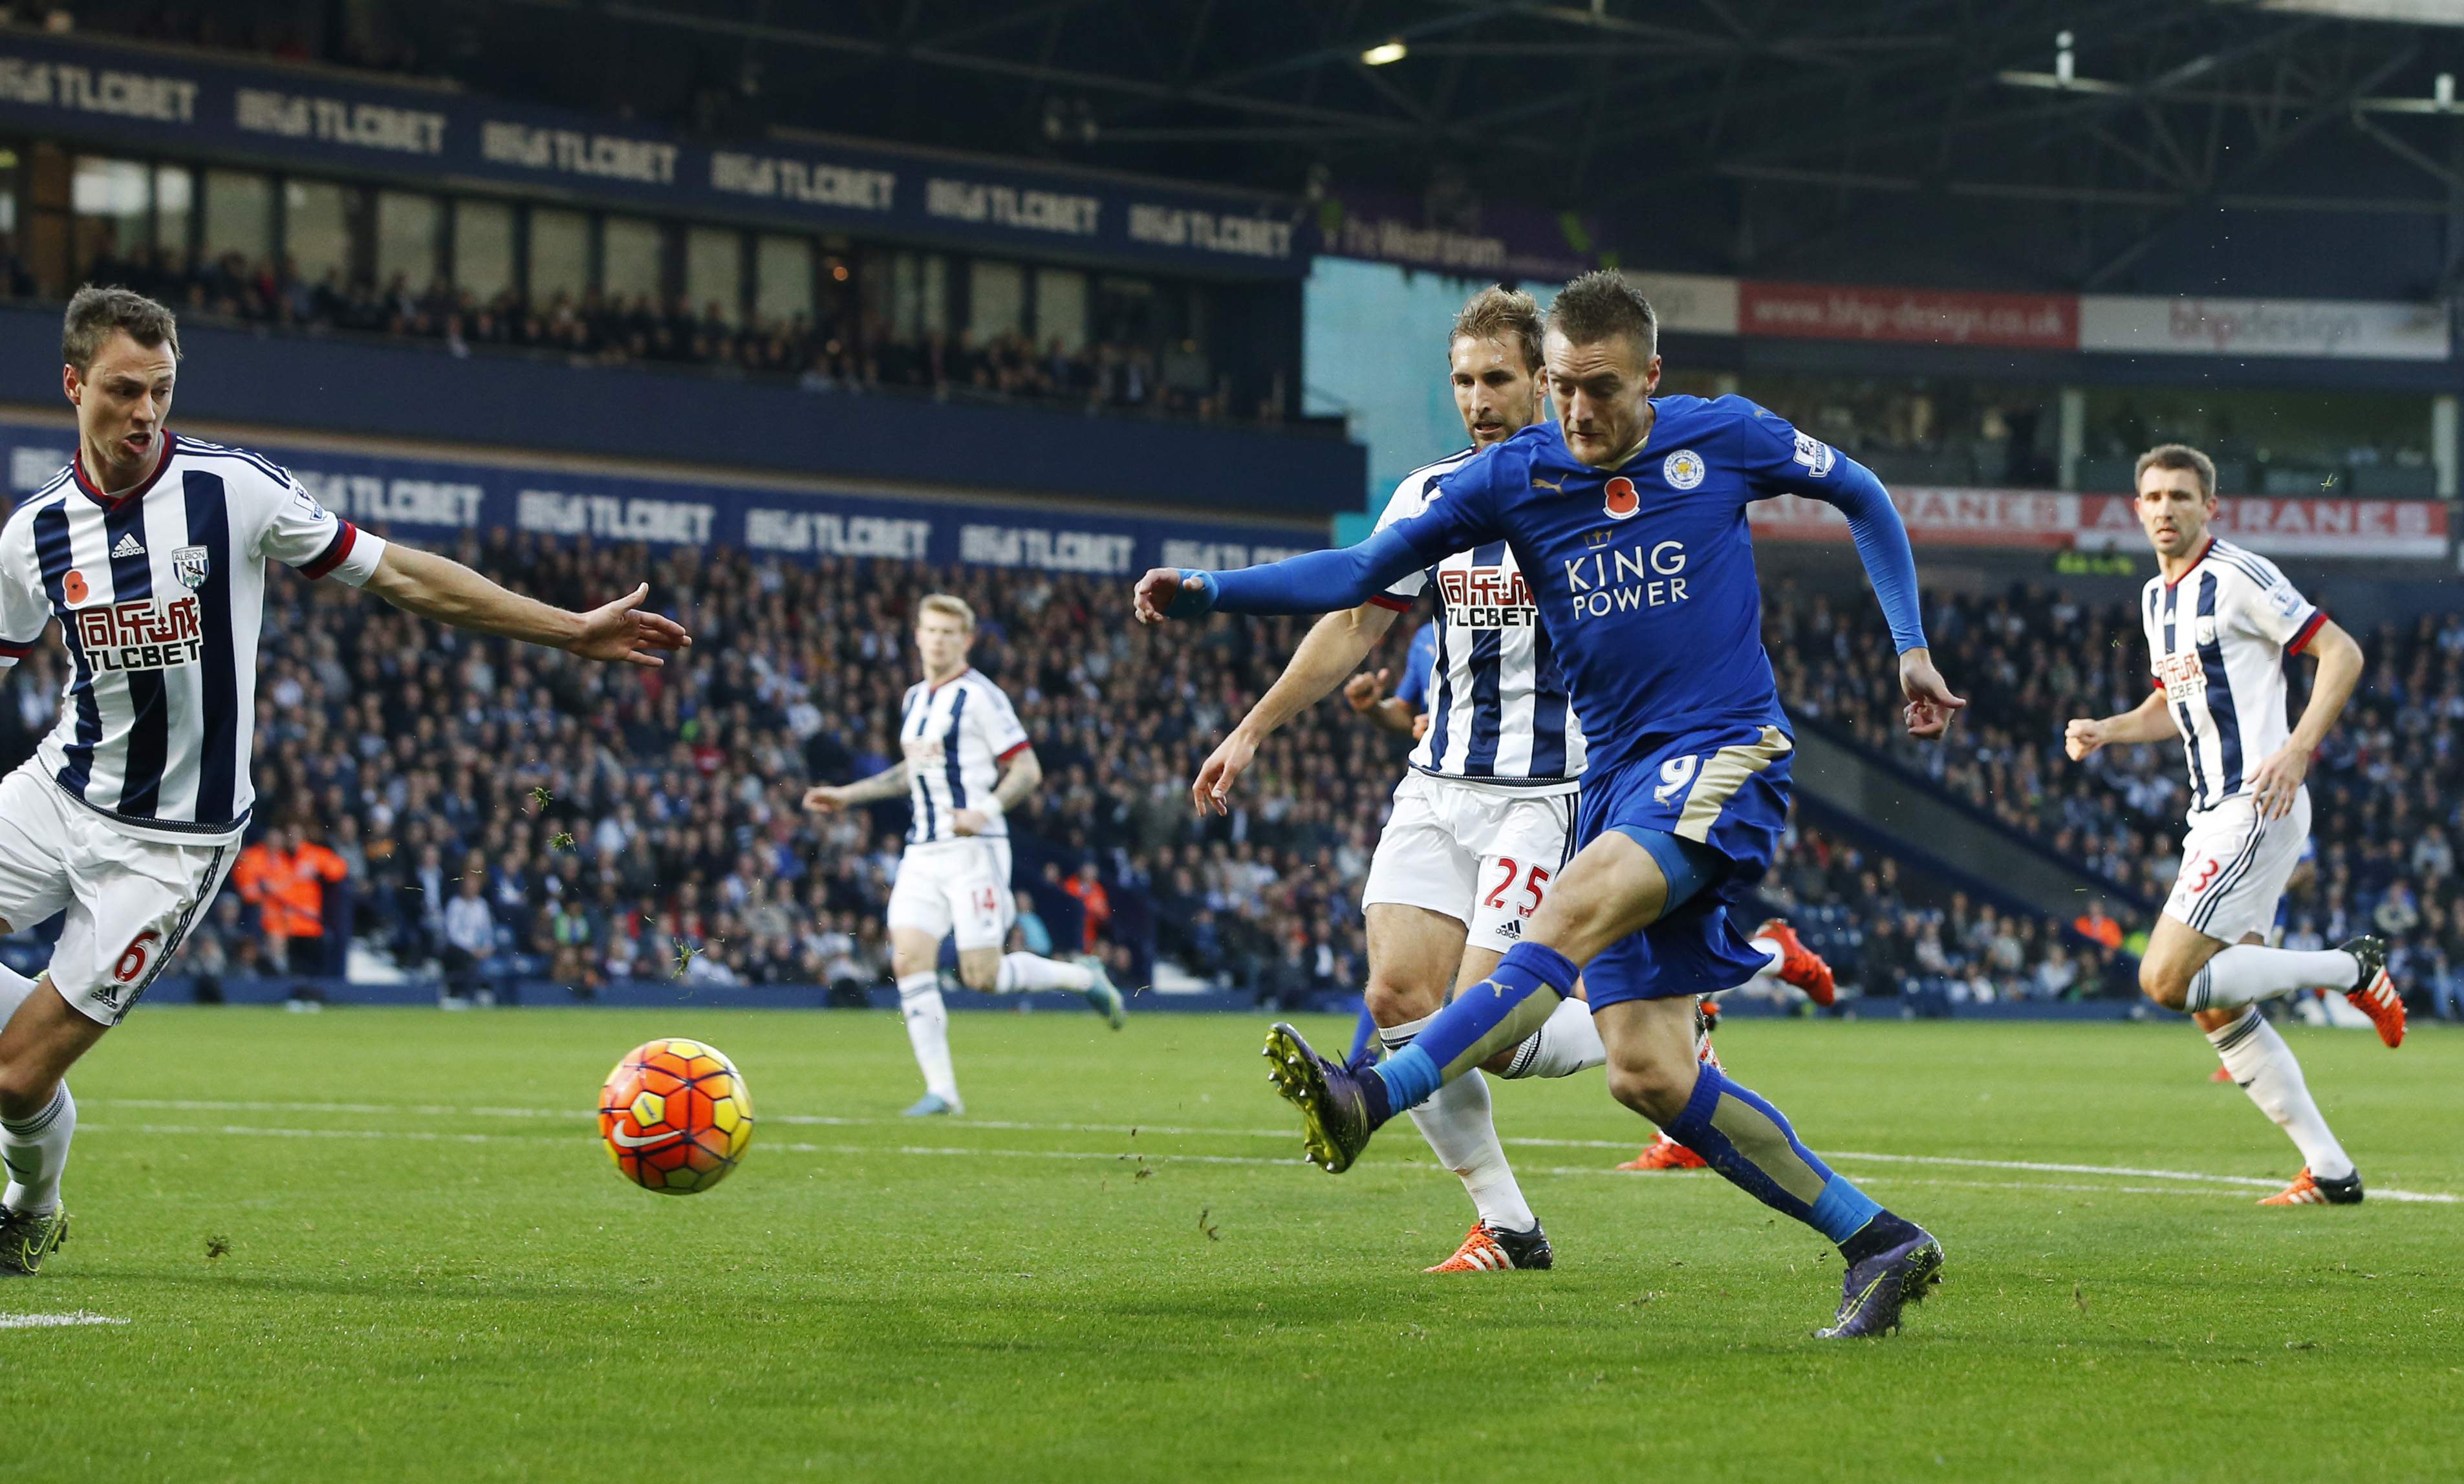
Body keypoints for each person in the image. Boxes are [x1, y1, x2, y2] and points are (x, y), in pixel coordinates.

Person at [1137, 270, 1960, 1339]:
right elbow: (1359, 572)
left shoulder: (1723, 436)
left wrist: (1909, 646)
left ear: (1651, 376)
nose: (1576, 410)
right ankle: (1880, 1241)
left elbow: (1863, 493)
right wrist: (1212, 591)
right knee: (1648, 1075)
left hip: (1722, 751)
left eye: (1599, 388)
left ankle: (1368, 1097)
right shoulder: (1512, 477)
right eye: (1564, 387)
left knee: (1558, 918)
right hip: (1616, 780)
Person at [0, 285, 689, 1276]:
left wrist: (568, 628)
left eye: (161, 388)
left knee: (15, 1078)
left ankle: (31, 1204)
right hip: (54, 795)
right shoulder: (33, 534)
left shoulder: (231, 491)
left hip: (170, 844)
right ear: (73, 385)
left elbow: (401, 573)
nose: (145, 411)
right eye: (122, 390)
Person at [2063, 442, 2395, 1207]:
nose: (2166, 509)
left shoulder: (2238, 576)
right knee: (2216, 1002)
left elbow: (2341, 652)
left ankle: (2351, 969)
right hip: (2212, 811)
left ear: (2210, 507)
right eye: (2154, 497)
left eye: (2181, 496)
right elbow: (2171, 703)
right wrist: (2109, 729)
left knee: (2163, 978)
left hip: (2256, 804)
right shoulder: (2156, 597)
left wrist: (2298, 750)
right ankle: (2331, 1171)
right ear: (2137, 509)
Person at [803, 594, 1126, 1118]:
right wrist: (848, 795)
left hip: (975, 849)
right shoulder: (913, 699)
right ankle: (943, 1092)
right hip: (922, 850)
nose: (938, 640)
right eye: (931, 630)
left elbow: (1027, 769)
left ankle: (1083, 977)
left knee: (982, 976)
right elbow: (913, 772)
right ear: (917, 635)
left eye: (949, 632)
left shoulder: (981, 697)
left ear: (967, 640)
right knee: (908, 959)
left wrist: (985, 810)